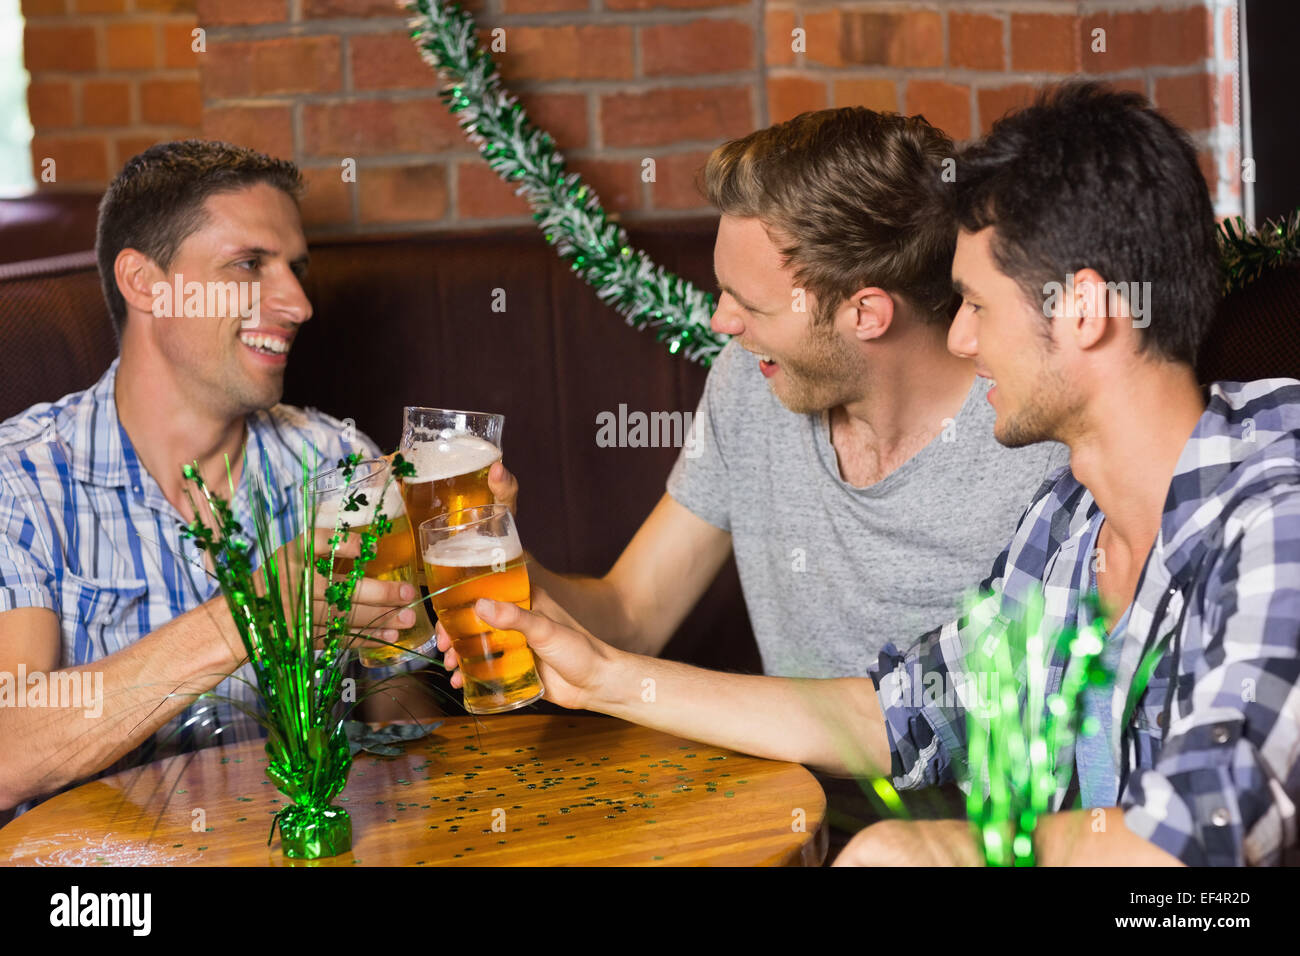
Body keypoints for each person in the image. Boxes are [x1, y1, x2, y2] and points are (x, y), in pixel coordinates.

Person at [453, 81, 1300, 866]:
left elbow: (1207, 829)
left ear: (1080, 310)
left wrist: (944, 852)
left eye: (975, 305)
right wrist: (603, 675)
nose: (960, 339)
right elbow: (898, 712)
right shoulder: (1071, 522)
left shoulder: (1278, 510)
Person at [488, 108, 1066, 842]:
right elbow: (630, 613)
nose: (720, 322)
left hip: (966, 846)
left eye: (749, 303)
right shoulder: (751, 382)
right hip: (781, 824)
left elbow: (939, 721)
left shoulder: (1033, 439)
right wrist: (504, 565)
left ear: (866, 313)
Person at [0, 141, 432, 817]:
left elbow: (401, 707)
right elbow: (6, 752)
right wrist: (253, 612)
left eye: (296, 269)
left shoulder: (337, 459)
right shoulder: (21, 478)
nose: (297, 303)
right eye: (250, 265)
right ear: (145, 283)